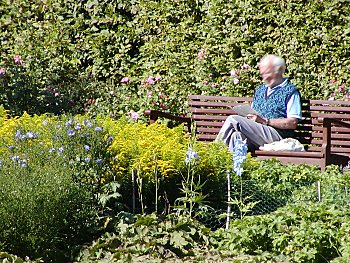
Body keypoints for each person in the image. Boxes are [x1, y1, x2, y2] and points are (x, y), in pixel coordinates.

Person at [216, 54, 302, 152]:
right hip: (258, 134)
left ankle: (212, 154)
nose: (264, 78)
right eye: (262, 74)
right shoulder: (260, 90)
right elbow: (254, 115)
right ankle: (235, 166)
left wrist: (265, 121)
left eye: (267, 73)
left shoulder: (290, 91)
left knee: (233, 120)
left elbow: (293, 123)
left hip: (278, 135)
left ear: (278, 71)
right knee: (237, 136)